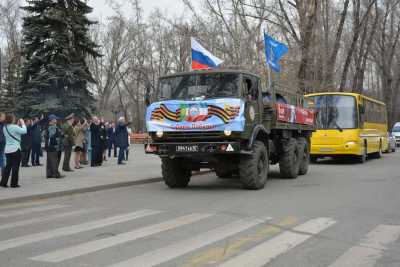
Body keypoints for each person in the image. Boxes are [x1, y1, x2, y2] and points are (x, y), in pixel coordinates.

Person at [0, 114, 27, 188]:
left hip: (7, 150)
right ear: (11, 119)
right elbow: (24, 131)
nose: (15, 119)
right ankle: (14, 184)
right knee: (15, 167)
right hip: (15, 149)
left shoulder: (5, 128)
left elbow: (14, 131)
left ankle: (3, 182)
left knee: (8, 166)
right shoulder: (14, 127)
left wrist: (17, 125)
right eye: (14, 118)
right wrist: (23, 123)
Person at [44, 115, 64, 179]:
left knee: (50, 161)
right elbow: (53, 136)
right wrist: (60, 133)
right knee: (54, 160)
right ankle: (56, 174)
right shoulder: (52, 127)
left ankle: (49, 174)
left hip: (50, 146)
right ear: (52, 120)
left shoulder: (50, 127)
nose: (56, 120)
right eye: (55, 119)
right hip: (53, 146)